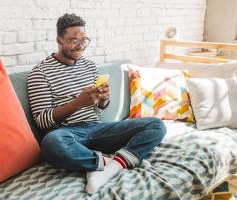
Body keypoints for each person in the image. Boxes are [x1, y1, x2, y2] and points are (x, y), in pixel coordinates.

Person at [27, 13, 166, 194]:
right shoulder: (40, 73)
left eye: (84, 40)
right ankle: (116, 162)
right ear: (59, 40)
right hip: (67, 134)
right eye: (73, 41)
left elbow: (98, 111)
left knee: (156, 125)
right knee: (51, 143)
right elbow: (42, 121)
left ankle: (104, 165)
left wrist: (103, 100)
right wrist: (76, 104)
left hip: (97, 129)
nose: (81, 46)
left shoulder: (90, 66)